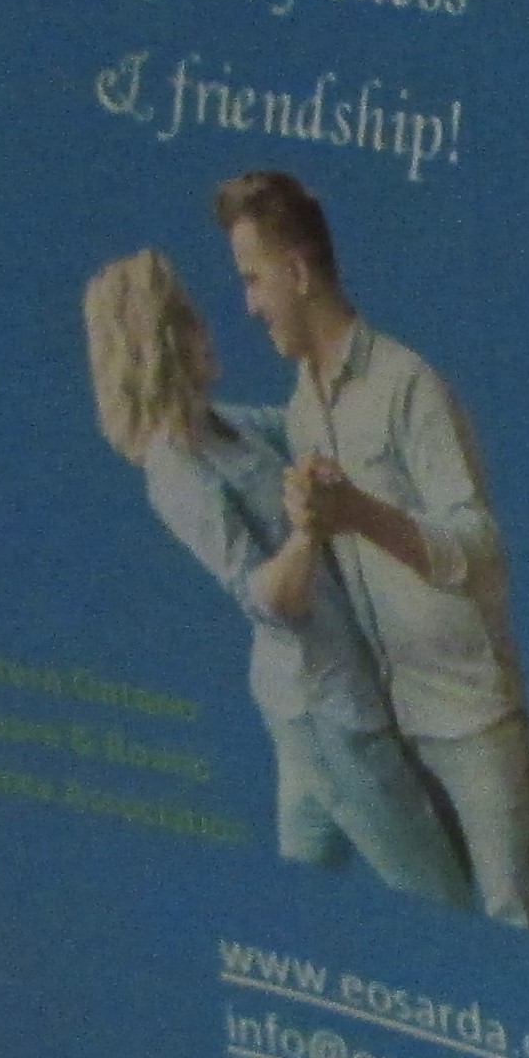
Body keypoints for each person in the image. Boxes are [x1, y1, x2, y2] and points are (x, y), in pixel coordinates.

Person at [212, 169, 529, 931]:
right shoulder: (302, 406)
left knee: (514, 925)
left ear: (298, 271)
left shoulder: (408, 384)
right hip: (388, 727)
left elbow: (481, 546)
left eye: (254, 279)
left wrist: (359, 512)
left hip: (470, 722)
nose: (249, 305)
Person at [83, 248, 472, 909]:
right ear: (159, 347)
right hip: (328, 704)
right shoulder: (176, 471)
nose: (210, 331)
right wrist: (307, 529)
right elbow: (266, 596)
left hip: (306, 695)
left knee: (303, 874)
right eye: (189, 323)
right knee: (438, 892)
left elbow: (307, 431)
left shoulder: (225, 426)